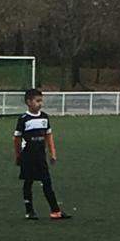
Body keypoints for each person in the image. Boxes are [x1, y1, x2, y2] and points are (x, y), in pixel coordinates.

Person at [14, 88, 71, 220]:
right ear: (29, 102)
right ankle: (29, 211)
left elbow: (48, 135)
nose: (40, 103)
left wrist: (53, 153)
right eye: (37, 101)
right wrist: (18, 155)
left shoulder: (44, 117)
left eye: (41, 101)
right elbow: (16, 139)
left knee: (47, 182)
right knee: (28, 182)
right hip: (28, 156)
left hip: (40, 157)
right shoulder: (24, 119)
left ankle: (55, 211)